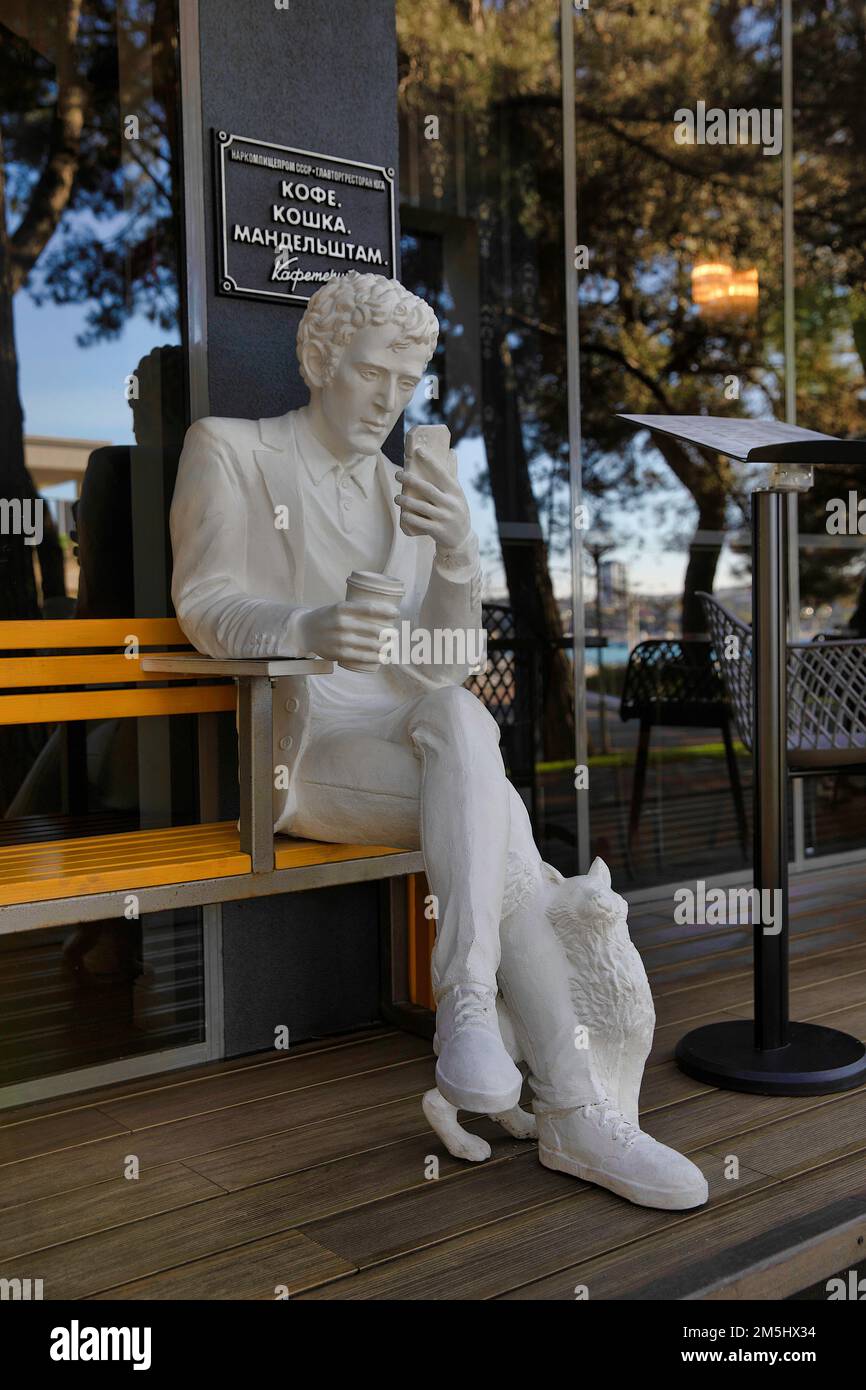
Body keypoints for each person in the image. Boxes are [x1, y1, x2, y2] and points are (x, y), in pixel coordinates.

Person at [170, 272, 707, 1208]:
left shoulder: (404, 488)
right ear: (321, 359)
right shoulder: (232, 451)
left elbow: (446, 662)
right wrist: (308, 626)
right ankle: (575, 1112)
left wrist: (458, 551)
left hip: (408, 729)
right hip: (306, 748)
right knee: (495, 814)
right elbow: (204, 603)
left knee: (465, 719)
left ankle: (467, 1004)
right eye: (375, 374)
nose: (390, 401)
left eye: (408, 385)